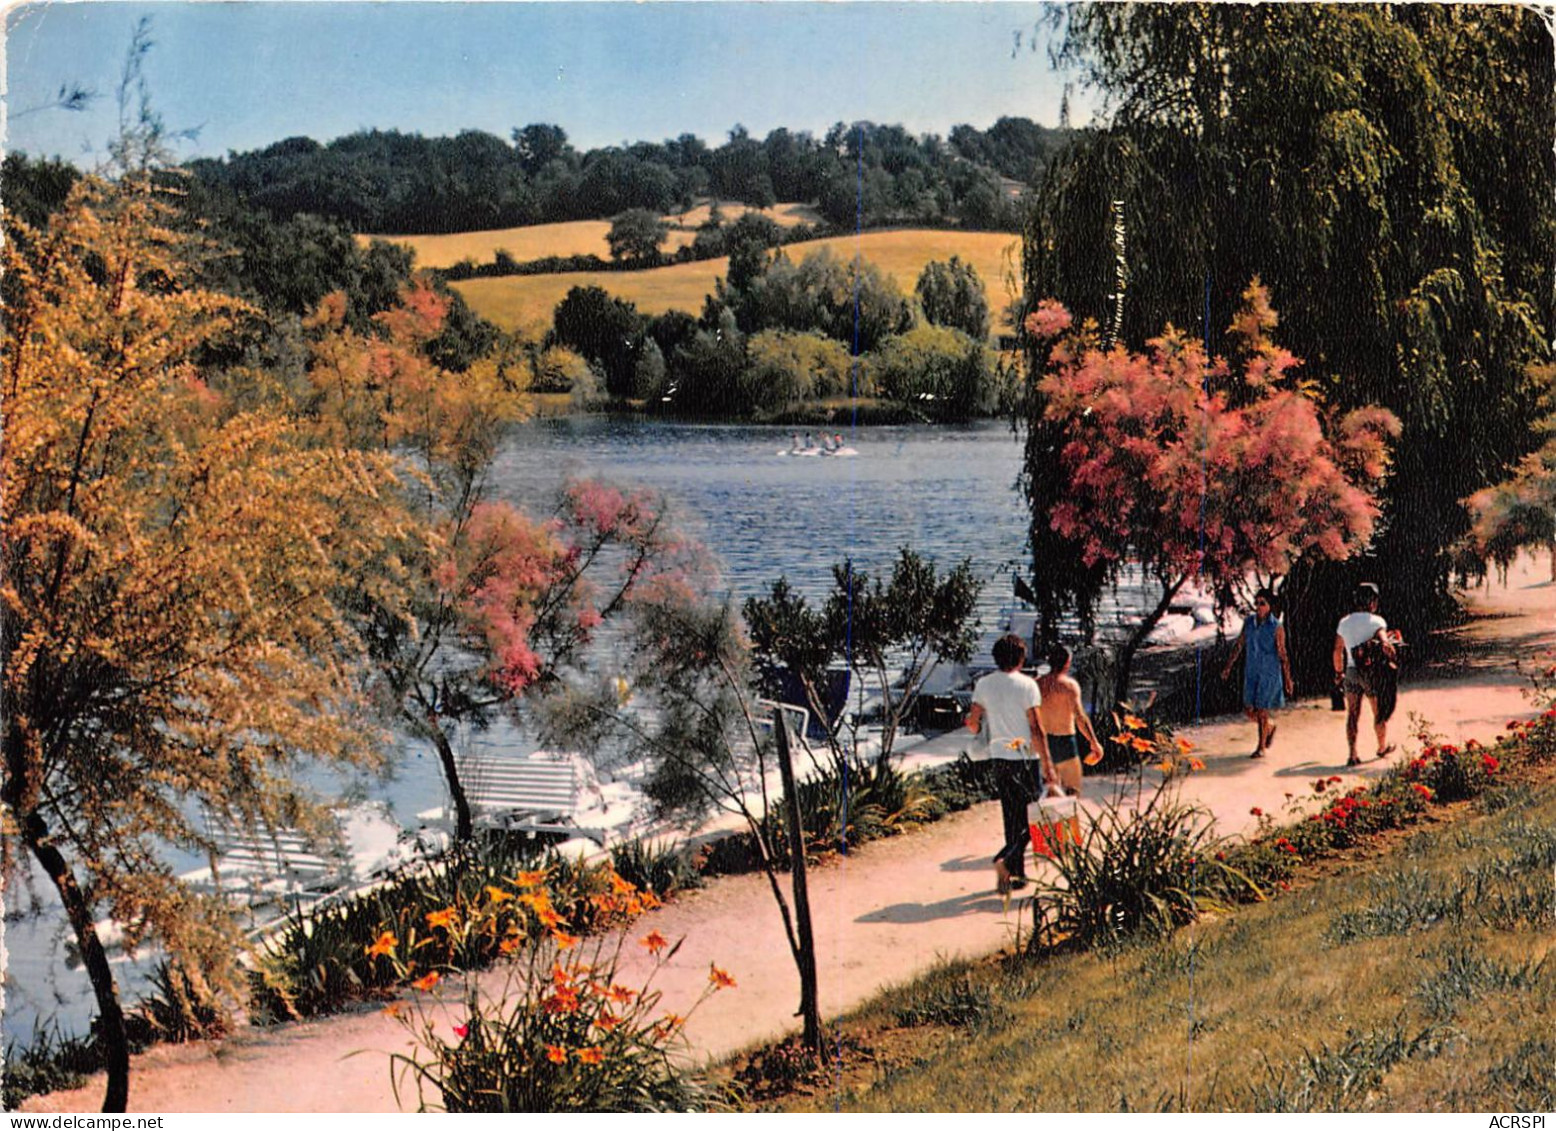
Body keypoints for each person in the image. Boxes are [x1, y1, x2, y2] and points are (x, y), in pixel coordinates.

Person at [965, 633, 1056, 893]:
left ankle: (1016, 875)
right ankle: (1005, 859)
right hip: (1025, 757)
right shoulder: (1027, 685)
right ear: (1020, 658)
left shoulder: (983, 684)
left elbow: (973, 724)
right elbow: (1036, 727)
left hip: (998, 755)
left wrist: (981, 724)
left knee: (1011, 815)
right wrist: (1048, 764)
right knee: (1031, 818)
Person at [1220, 588, 1294, 758]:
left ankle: (1260, 747)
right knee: (1248, 709)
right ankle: (1268, 727)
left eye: (1262, 603)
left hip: (1269, 672)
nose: (1259, 607)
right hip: (1251, 671)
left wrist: (1288, 679)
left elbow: (1283, 654)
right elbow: (1239, 645)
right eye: (1257, 603)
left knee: (1262, 710)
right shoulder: (1249, 623)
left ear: (1269, 606)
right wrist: (1228, 667)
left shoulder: (1277, 627)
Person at [1334, 582, 1397, 766]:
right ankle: (1381, 746)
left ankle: (1352, 754)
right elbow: (1384, 642)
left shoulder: (1344, 623)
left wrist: (1339, 673)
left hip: (1351, 671)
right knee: (1378, 712)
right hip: (1370, 672)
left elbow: (1337, 650)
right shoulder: (1377, 621)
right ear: (1373, 602)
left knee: (1353, 714)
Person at [1036, 643, 1105, 794]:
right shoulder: (1069, 686)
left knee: (1049, 792)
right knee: (1072, 791)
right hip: (1065, 741)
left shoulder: (1037, 684)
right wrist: (1093, 741)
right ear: (1068, 662)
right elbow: (1080, 717)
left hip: (1044, 741)